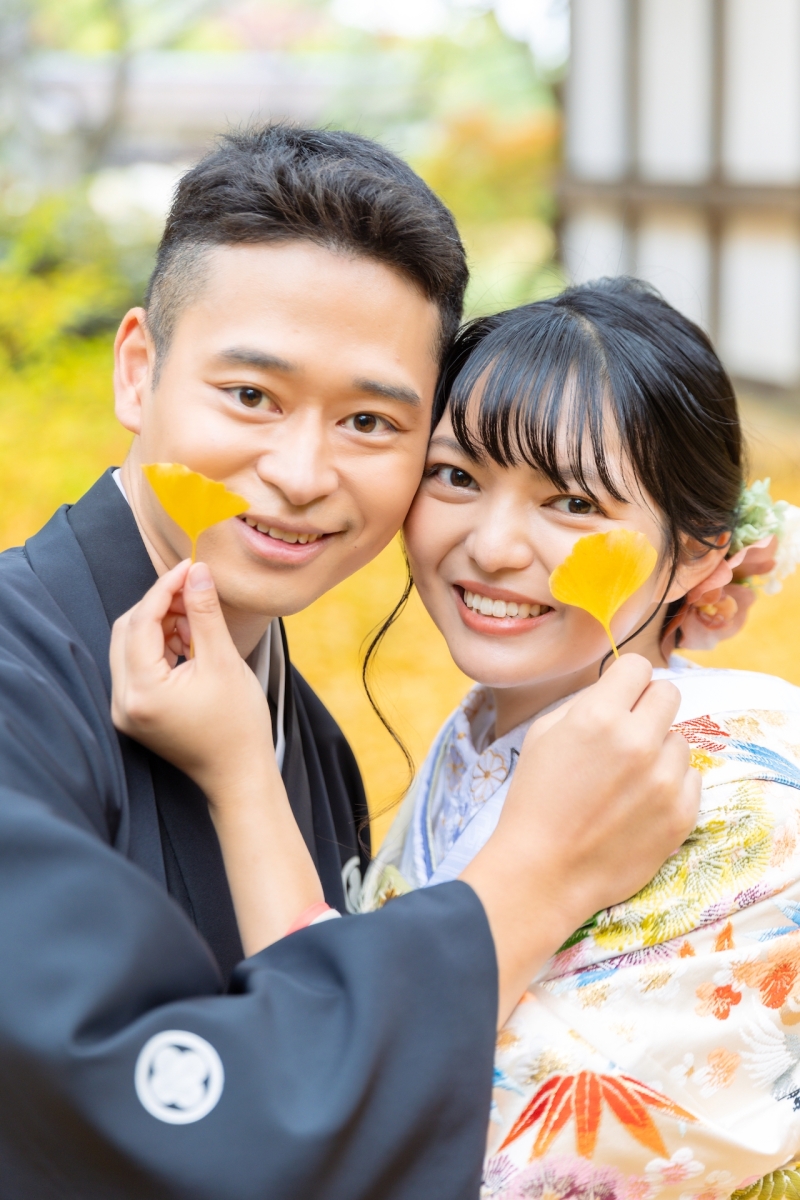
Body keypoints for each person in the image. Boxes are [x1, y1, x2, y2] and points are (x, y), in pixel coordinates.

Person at [0, 127, 698, 1198]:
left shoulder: (299, 738)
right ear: (138, 371)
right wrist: (523, 890)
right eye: (249, 397)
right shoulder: (16, 675)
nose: (298, 472)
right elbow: (139, 1118)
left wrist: (657, 605)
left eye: (370, 421)